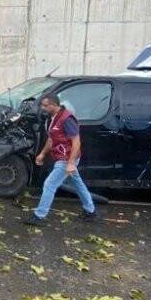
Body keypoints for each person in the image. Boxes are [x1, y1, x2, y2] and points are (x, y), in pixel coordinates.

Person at [24, 93, 96, 225]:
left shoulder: (67, 119)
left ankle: (39, 216)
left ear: (54, 105)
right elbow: (52, 139)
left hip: (67, 158)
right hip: (63, 158)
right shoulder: (53, 118)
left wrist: (70, 163)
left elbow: (76, 142)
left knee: (49, 185)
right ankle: (90, 211)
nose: (43, 108)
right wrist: (42, 154)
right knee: (77, 183)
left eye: (45, 105)